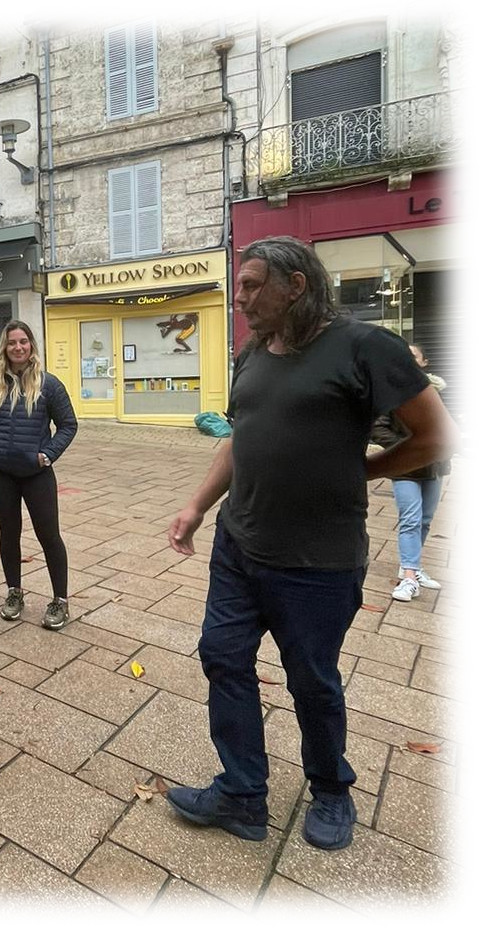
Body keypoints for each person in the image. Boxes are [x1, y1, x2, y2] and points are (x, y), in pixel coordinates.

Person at [165, 236, 453, 851]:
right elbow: (240, 441)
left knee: (312, 682)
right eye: (239, 286)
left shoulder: (365, 347)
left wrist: (367, 470)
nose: (240, 298)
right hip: (239, 548)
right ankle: (243, 795)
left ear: (295, 285)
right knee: (222, 657)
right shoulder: (252, 355)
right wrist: (195, 507)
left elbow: (436, 437)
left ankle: (331, 790)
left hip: (318, 565)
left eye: (251, 285)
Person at [0, 321, 78, 630]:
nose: (18, 347)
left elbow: (68, 424)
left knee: (49, 536)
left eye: (23, 342)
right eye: (12, 342)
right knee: (9, 535)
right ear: (4, 348)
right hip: (2, 474)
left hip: (36, 474)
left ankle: (60, 601)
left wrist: (48, 454)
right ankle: (14, 592)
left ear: (31, 346)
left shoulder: (49, 385)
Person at [371, 344, 452, 602]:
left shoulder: (437, 391)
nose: (409, 360)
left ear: (425, 362)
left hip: (435, 466)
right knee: (411, 519)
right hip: (406, 469)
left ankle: (413, 567)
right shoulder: (393, 391)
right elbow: (378, 428)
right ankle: (408, 577)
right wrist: (409, 449)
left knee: (425, 520)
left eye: (414, 356)